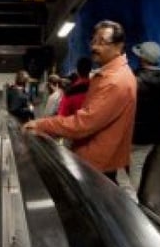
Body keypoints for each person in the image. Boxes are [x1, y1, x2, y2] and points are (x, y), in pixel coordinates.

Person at [23, 20, 137, 183]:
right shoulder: (109, 75)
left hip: (97, 166)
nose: (94, 47)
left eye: (102, 42)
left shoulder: (115, 80)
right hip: (96, 162)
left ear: (119, 46)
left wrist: (42, 124)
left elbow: (84, 123)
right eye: (93, 41)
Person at [129, 41, 160, 197]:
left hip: (130, 134)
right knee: (138, 166)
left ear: (143, 58)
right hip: (153, 135)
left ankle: (127, 201)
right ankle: (132, 200)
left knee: (119, 166)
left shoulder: (134, 79)